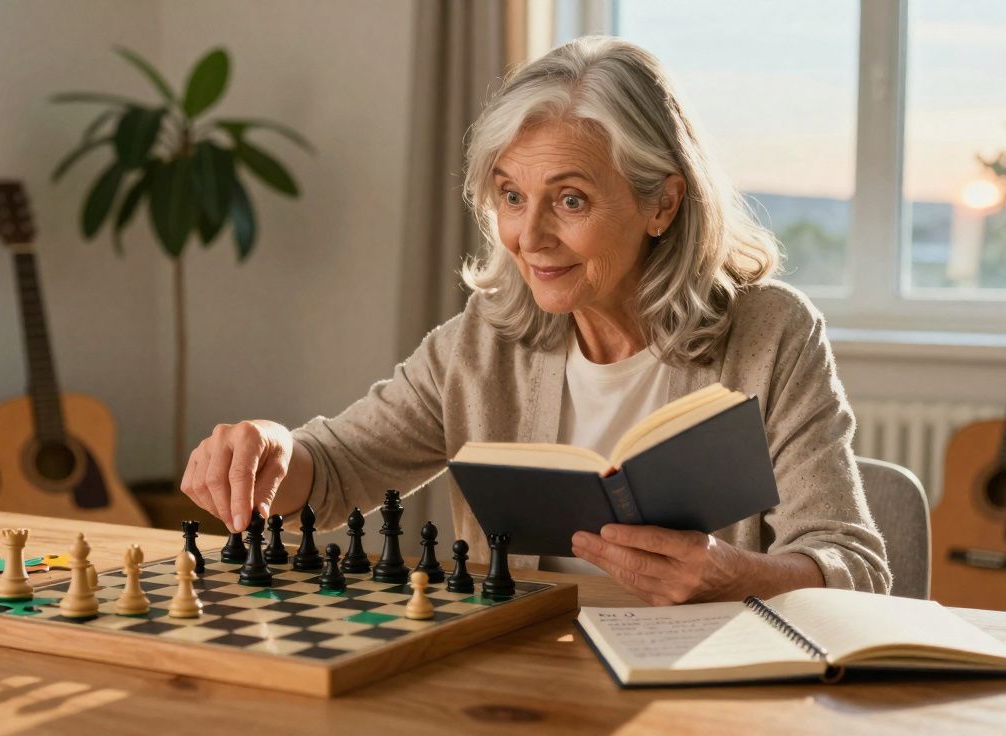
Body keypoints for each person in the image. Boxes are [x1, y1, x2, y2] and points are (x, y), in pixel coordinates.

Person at [180, 36, 892, 606]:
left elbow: (855, 565)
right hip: (521, 686)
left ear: (662, 205)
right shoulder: (481, 343)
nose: (529, 236)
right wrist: (271, 449)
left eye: (571, 200)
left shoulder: (771, 335)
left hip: (702, 694)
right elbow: (335, 474)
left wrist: (732, 573)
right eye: (513, 196)